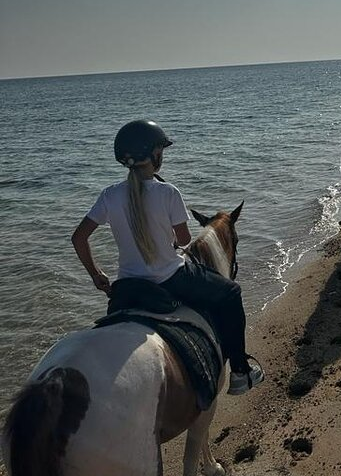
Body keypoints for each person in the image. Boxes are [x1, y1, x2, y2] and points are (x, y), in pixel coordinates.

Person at [71, 120, 264, 395]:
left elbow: (78, 238)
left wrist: (97, 275)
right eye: (161, 150)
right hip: (170, 278)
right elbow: (184, 240)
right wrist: (166, 240)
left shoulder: (109, 195)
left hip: (126, 286)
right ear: (155, 156)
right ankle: (241, 373)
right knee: (231, 293)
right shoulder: (168, 192)